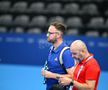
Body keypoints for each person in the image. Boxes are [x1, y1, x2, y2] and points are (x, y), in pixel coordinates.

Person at [41, 21, 75, 90]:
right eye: (48, 32)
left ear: (58, 35)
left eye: (50, 33)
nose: (47, 35)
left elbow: (73, 76)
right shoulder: (51, 49)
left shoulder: (66, 53)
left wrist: (51, 75)